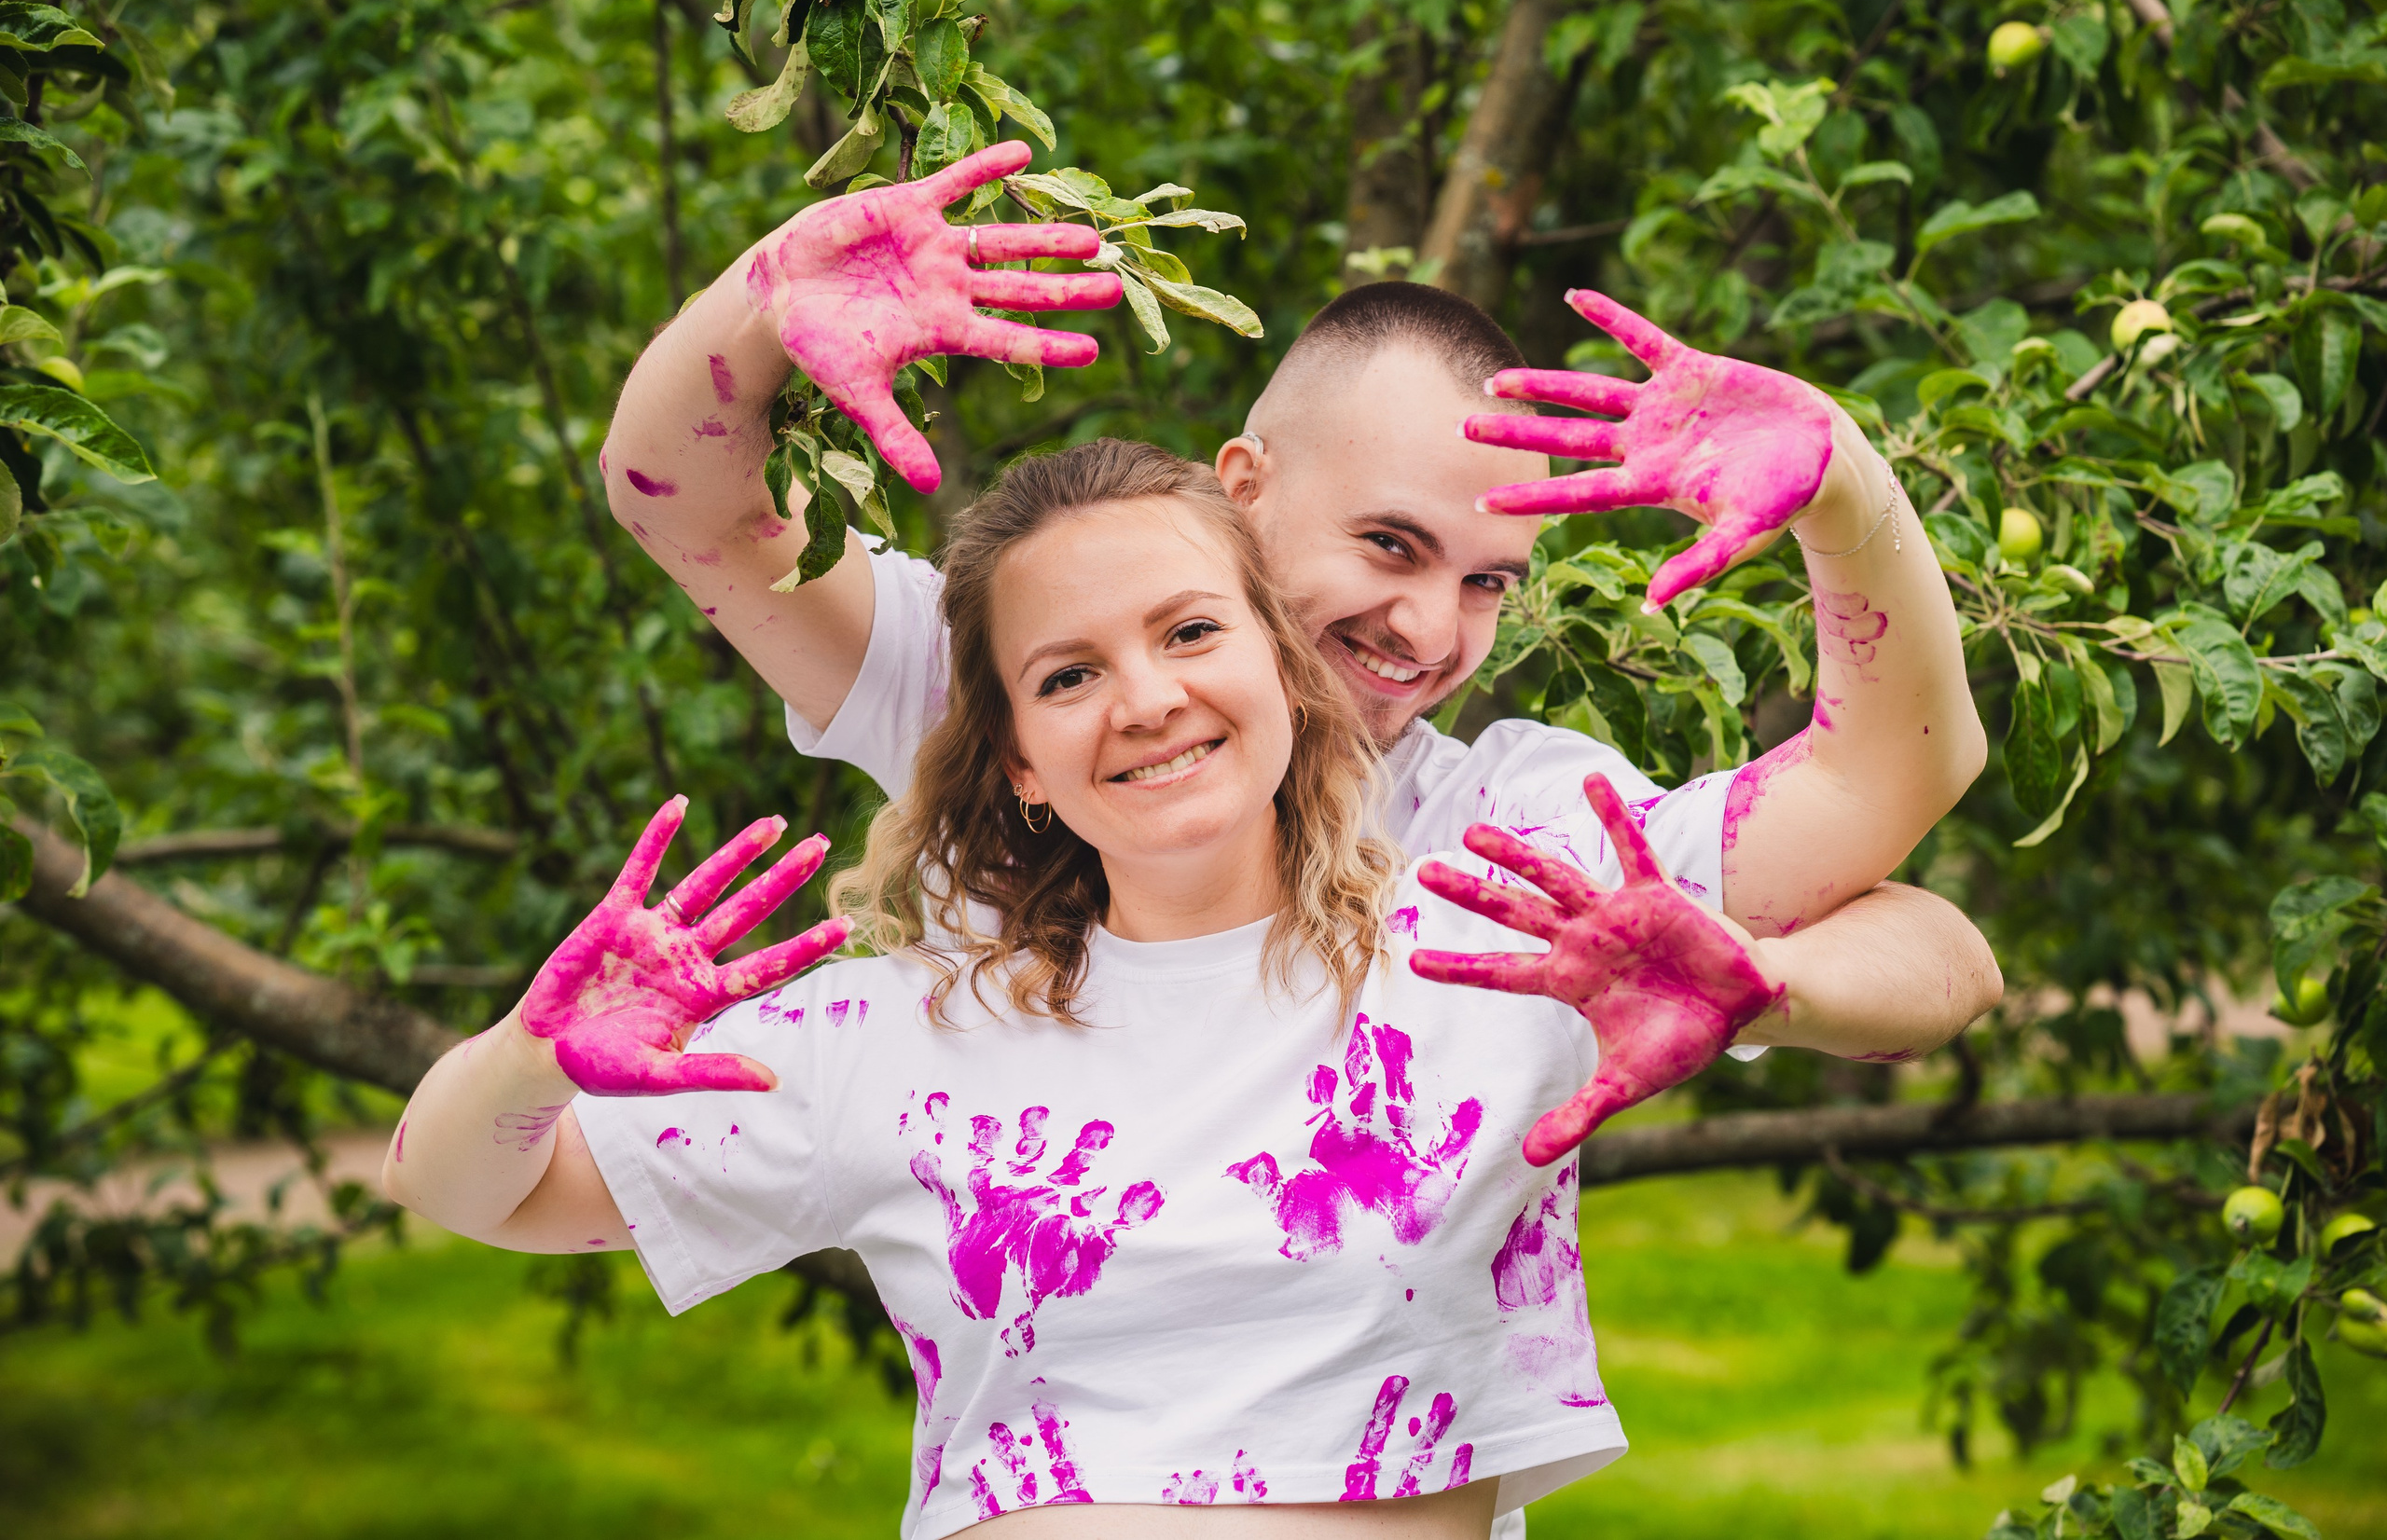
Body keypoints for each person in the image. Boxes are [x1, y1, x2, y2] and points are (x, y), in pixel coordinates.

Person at [383, 442, 1994, 1537]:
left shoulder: (1500, 928)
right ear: (1014, 756)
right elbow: (469, 1188)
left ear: (1284, 672)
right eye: (1068, 675)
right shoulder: (902, 1032)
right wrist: (527, 1057)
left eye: (1189, 631)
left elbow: (1890, 786)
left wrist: (1844, 492)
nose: (1144, 701)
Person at [600, 141, 1994, 1054]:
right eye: (1389, 546)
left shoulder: (1497, 833)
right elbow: (687, 500)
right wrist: (762, 302)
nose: (1433, 631)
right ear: (1247, 485)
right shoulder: (1011, 683)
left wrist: (1846, 492)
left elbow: (1890, 796)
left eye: (1488, 583)